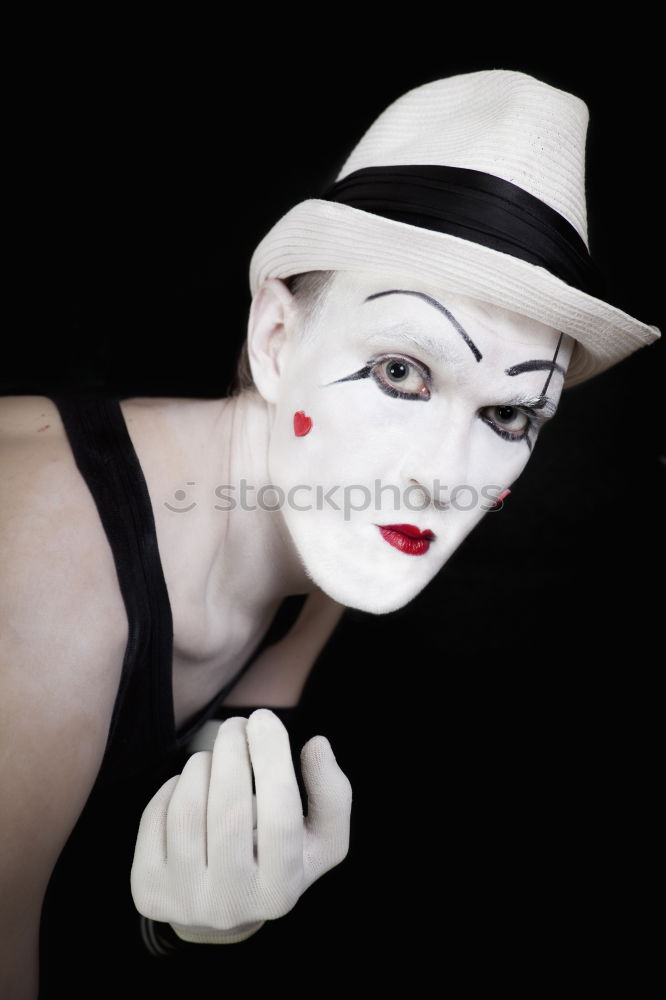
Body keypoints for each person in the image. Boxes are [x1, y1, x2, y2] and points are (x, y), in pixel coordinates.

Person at [0, 69, 660, 998]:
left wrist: (190, 919)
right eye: (400, 371)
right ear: (277, 337)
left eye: (511, 417)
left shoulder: (336, 528)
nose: (441, 477)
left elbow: (222, 763)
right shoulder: (43, 588)